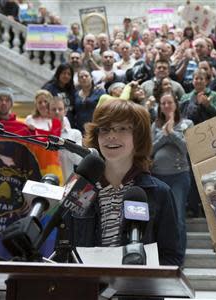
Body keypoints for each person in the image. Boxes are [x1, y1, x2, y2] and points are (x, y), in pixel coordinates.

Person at [66, 99, 183, 266]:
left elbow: (171, 257)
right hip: (88, 289)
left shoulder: (159, 192)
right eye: (105, 129)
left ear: (139, 136)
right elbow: (64, 249)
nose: (111, 136)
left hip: (138, 289)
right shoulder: (79, 189)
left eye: (122, 129)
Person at [151, 91, 193, 257]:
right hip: (157, 176)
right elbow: (150, 150)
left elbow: (187, 148)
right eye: (163, 103)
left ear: (176, 104)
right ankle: (160, 256)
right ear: (160, 107)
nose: (167, 106)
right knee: (158, 218)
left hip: (179, 176)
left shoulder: (187, 124)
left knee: (178, 219)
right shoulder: (154, 126)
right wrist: (164, 135)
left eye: (170, 102)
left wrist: (172, 133)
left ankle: (178, 257)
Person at [49, 97, 82, 182]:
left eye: (60, 109)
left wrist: (66, 144)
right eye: (53, 109)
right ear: (48, 112)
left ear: (65, 111)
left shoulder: (75, 133)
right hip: (48, 182)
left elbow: (78, 161)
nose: (57, 112)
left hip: (67, 182)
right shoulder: (43, 134)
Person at [72, 69, 105, 134]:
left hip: (96, 128)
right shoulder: (76, 94)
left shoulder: (100, 91)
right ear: (78, 80)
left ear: (91, 78)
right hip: (80, 129)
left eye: (86, 76)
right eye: (81, 77)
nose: (84, 78)